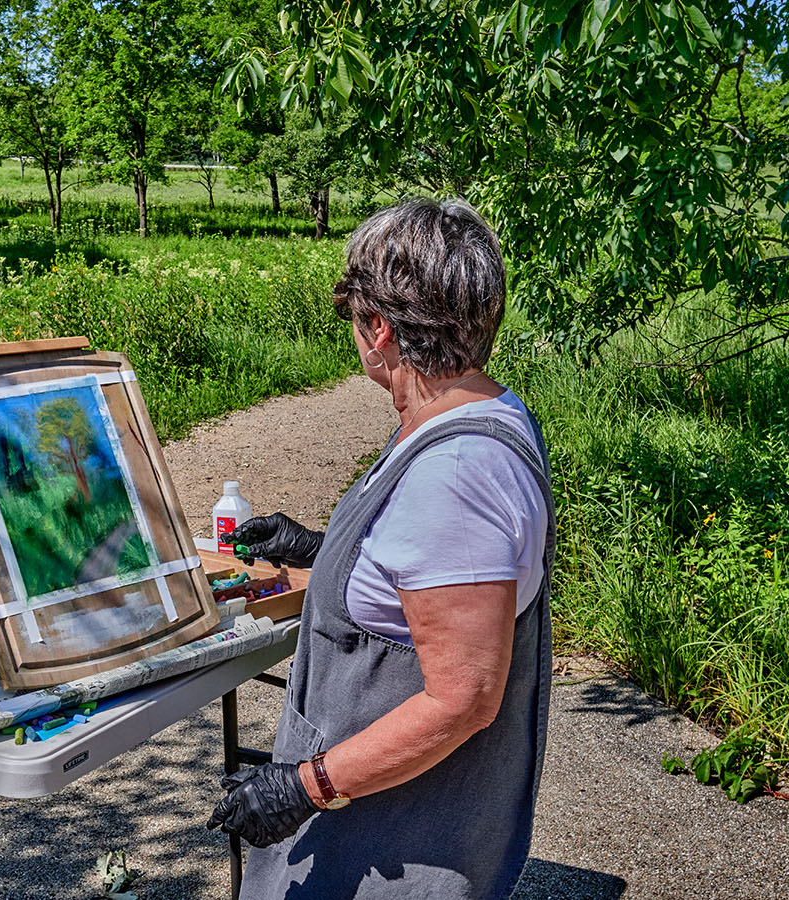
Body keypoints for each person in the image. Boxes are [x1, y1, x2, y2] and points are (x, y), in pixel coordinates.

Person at [207, 198, 555, 900]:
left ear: (381, 331)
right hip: (391, 811)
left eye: (351, 313)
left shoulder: (457, 474)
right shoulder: (477, 408)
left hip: (399, 833)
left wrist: (307, 787)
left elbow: (463, 698)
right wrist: (320, 547)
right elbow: (429, 570)